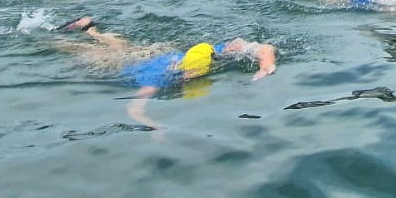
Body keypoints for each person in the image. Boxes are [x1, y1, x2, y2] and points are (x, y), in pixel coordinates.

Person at [59, 17, 276, 128]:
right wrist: (155, 126)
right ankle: (66, 36)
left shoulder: (215, 52)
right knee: (87, 52)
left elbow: (261, 47)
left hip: (154, 56)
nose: (189, 76)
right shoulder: (156, 79)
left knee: (120, 46)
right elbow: (134, 109)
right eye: (189, 73)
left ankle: (91, 29)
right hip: (125, 65)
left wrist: (266, 63)